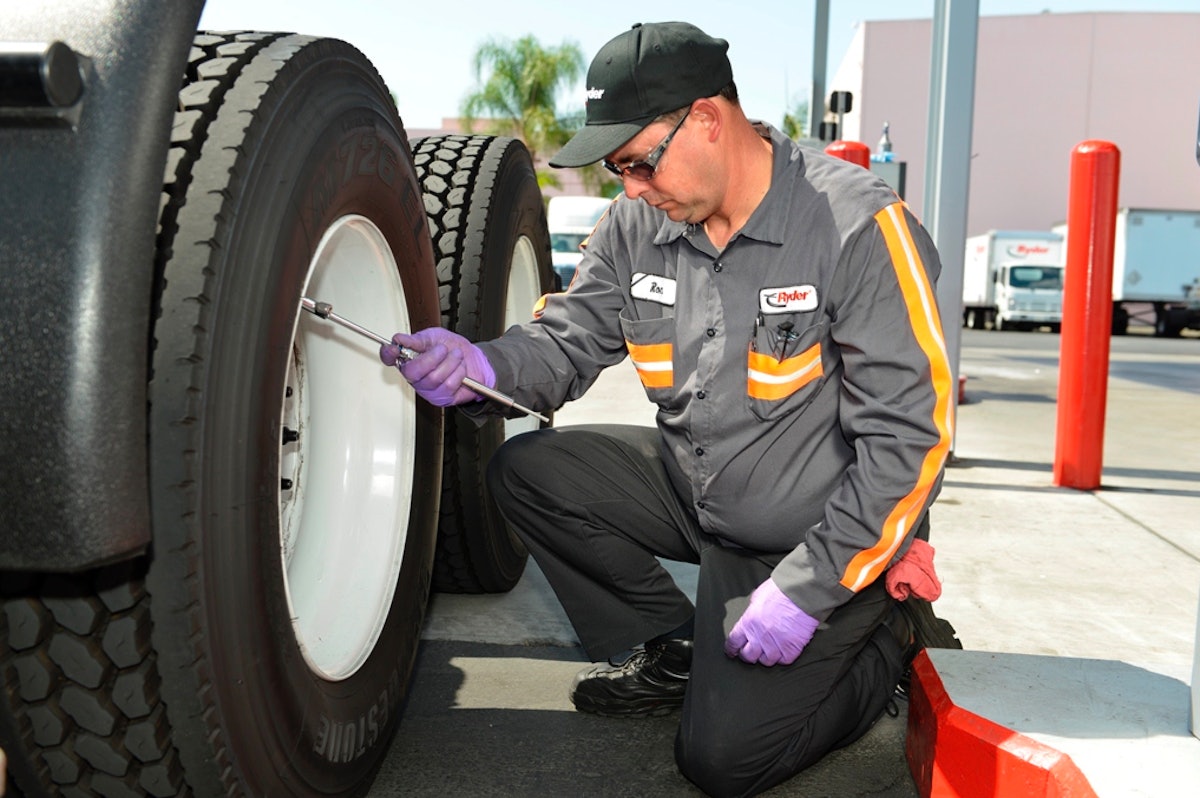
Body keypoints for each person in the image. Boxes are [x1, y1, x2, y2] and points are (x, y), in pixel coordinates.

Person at [381, 20, 958, 798]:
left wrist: (811, 587)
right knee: (530, 472)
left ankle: (886, 640)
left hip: (815, 537)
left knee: (723, 762)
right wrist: (483, 365)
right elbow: (567, 340)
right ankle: (677, 644)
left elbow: (911, 440)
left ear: (709, 120)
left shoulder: (855, 227)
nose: (631, 189)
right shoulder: (638, 225)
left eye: (638, 163)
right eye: (619, 171)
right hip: (699, 490)